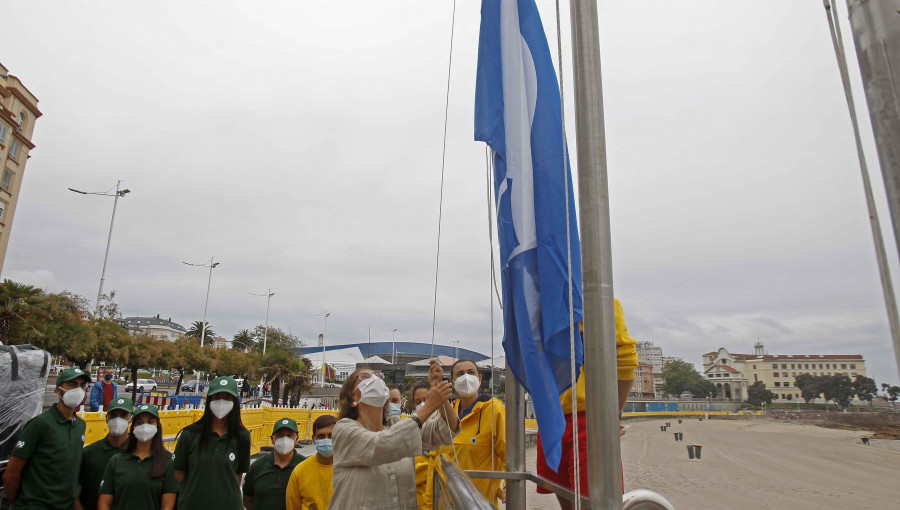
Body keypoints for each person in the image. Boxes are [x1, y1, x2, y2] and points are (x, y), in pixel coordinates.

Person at [535, 298, 638, 510]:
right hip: (550, 421)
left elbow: (626, 359)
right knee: (563, 495)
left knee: (592, 503)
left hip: (587, 418)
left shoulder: (599, 302)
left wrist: (610, 417)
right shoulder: (543, 307)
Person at [329, 360, 457, 510]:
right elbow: (380, 446)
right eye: (364, 377)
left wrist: (439, 393)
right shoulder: (344, 429)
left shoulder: (397, 424)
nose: (374, 380)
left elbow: (446, 431)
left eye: (378, 376)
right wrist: (428, 407)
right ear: (351, 399)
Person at [3, 367, 91, 509]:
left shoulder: (80, 425)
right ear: (58, 390)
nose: (78, 390)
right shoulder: (40, 424)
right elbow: (11, 475)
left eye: (82, 385)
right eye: (72, 384)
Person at [428, 359, 506, 508]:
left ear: (480, 378)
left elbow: (509, 452)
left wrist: (509, 484)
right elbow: (434, 464)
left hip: (479, 504)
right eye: (460, 374)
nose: (466, 377)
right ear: (452, 381)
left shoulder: (494, 411)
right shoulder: (445, 413)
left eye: (471, 373)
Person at [173, 375, 250, 510]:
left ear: (234, 401)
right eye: (217, 397)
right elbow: (179, 474)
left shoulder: (242, 436)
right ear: (209, 400)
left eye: (227, 397)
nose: (221, 402)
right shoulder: (190, 434)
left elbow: (237, 476)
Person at [97, 404, 178, 510]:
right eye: (139, 422)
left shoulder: (168, 462)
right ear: (133, 426)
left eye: (150, 422)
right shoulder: (116, 461)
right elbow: (104, 503)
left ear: (157, 426)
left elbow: (167, 506)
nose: (145, 427)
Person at [78, 397, 134, 510]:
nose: (118, 419)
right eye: (113, 415)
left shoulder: (138, 453)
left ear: (131, 419)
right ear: (106, 418)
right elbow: (76, 493)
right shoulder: (88, 453)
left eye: (123, 415)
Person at [242, 418, 305, 510]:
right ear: (272, 439)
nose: (285, 439)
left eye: (289, 435)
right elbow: (247, 499)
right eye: (280, 435)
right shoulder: (257, 467)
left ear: (296, 439)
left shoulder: (304, 466)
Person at [286, 415, 336, 510]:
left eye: (331, 436)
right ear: (314, 439)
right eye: (321, 436)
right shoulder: (300, 471)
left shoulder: (348, 470)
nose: (326, 440)